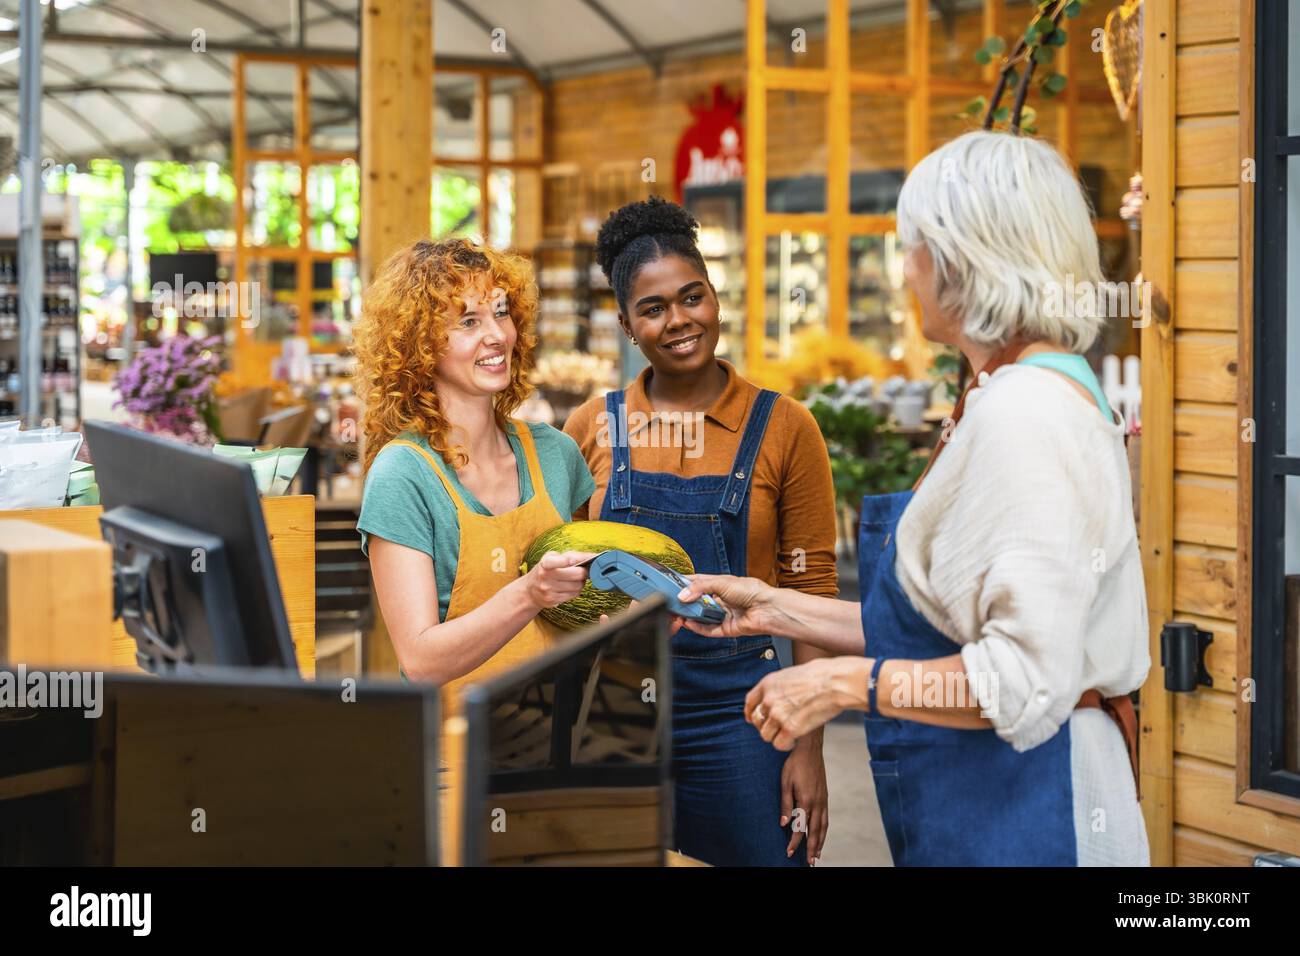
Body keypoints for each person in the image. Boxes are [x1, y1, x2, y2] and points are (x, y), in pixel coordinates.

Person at [675, 130, 1151, 867]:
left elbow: (1023, 684)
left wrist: (838, 683)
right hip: (996, 798)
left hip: (1037, 808)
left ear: (965, 260)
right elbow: (945, 633)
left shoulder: (1025, 414)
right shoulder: (1021, 390)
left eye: (915, 248)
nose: (906, 272)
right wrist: (771, 608)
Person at [564, 197, 840, 866]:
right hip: (615, 714)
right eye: (653, 308)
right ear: (628, 325)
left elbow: (815, 592)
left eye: (693, 297)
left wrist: (808, 744)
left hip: (746, 713)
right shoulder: (589, 430)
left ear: (716, 298)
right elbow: (564, 588)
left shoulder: (785, 427)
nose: (680, 320)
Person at [354, 238, 596, 711]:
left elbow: (585, 607)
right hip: (455, 758)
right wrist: (529, 593)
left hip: (566, 746)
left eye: (501, 313)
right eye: (468, 321)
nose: (497, 336)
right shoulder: (403, 475)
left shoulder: (556, 453)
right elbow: (421, 660)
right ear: (419, 346)